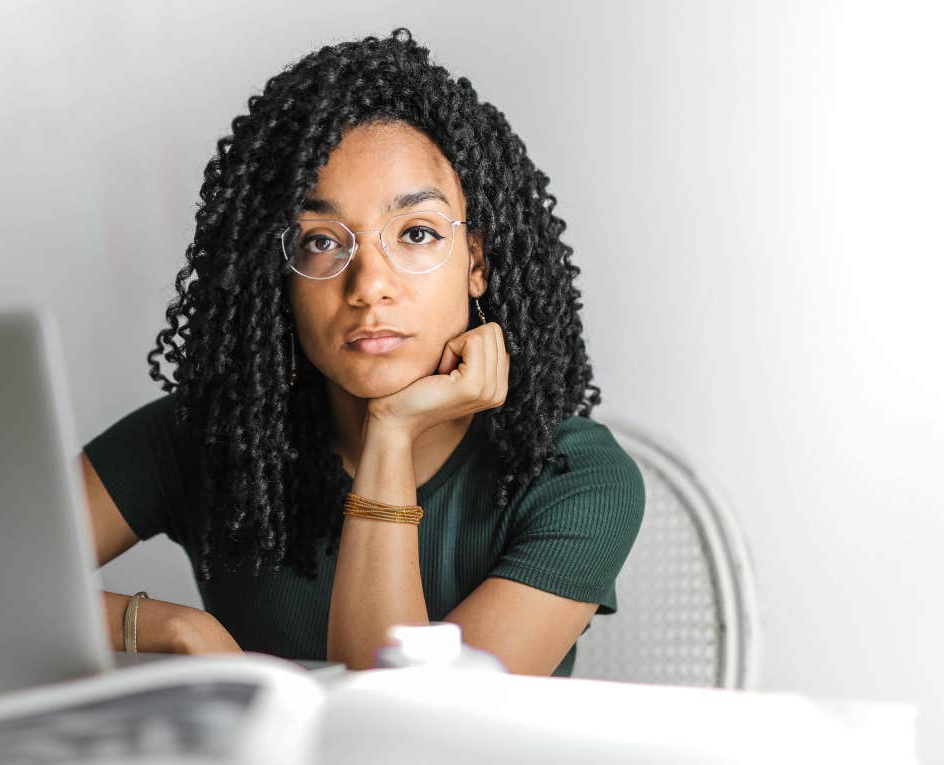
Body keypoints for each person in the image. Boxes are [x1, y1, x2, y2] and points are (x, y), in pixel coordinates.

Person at [80, 28, 644, 676]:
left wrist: (391, 431)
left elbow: (406, 725)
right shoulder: (211, 436)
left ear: (477, 263)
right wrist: (172, 626)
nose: (369, 284)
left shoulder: (575, 476)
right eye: (321, 241)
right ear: (280, 275)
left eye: (417, 232)